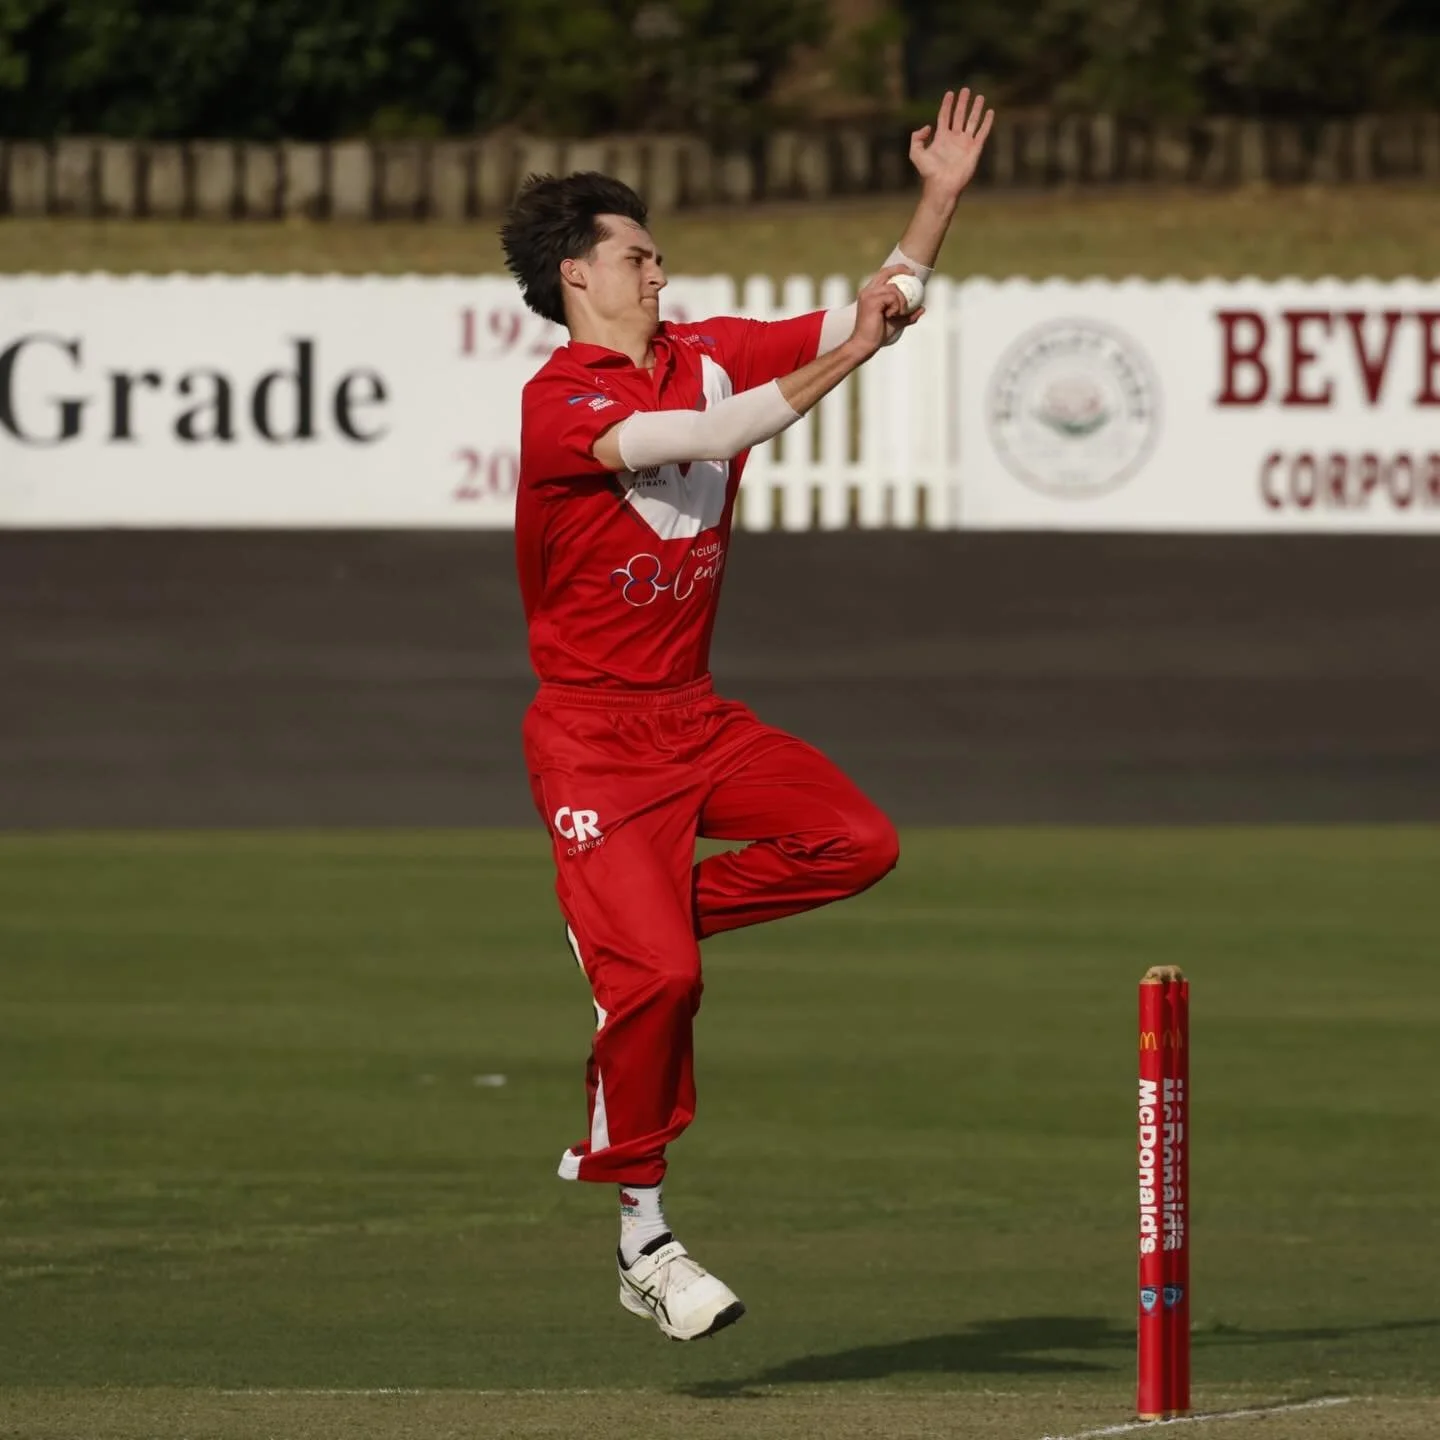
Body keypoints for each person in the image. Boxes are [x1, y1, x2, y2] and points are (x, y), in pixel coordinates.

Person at [499, 89, 994, 1342]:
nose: (659, 270)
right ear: (577, 276)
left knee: (859, 844)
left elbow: (870, 306)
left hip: (695, 720)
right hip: (595, 742)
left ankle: (627, 923)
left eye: (657, 255)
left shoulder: (704, 341)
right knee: (660, 980)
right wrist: (854, 354)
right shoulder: (560, 402)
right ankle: (644, 1242)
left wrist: (934, 204)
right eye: (636, 256)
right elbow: (723, 430)